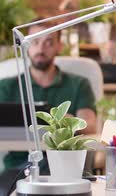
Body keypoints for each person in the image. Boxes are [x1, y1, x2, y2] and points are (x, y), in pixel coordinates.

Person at [0, 20, 97, 169]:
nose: (41, 49)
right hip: (18, 169)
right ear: (25, 46)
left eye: (49, 42)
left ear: (60, 46)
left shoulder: (79, 84)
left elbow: (90, 125)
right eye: (35, 42)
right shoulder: (6, 86)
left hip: (67, 166)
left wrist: (63, 122)